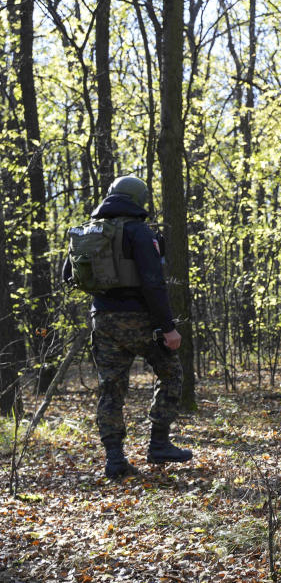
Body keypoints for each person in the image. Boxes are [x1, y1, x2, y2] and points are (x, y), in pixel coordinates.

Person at [63, 175, 193, 479]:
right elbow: (153, 281)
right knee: (171, 372)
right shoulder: (138, 230)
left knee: (111, 388)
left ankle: (114, 459)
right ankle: (159, 443)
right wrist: (168, 327)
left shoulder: (88, 231)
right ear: (139, 200)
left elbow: (68, 275)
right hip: (139, 320)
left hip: (103, 320)